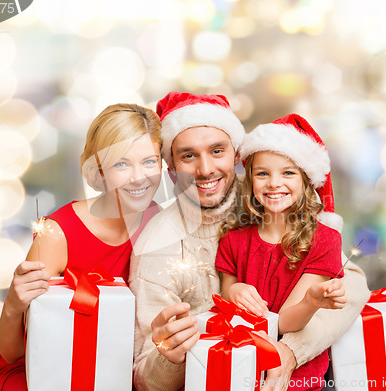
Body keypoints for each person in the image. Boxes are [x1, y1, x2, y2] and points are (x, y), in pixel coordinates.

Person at [129, 92, 370, 391]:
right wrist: (171, 356)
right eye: (188, 155)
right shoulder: (157, 246)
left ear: (236, 153)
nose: (205, 170)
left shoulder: (270, 194)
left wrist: (291, 350)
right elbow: (144, 379)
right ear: (171, 168)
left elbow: (352, 281)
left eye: (217, 151)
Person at [0, 103, 162, 391]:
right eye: (121, 163)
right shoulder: (56, 234)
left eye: (149, 161)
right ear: (99, 170)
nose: (138, 176)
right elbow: (12, 352)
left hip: (111, 366)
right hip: (45, 369)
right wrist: (13, 306)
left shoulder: (158, 222)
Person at [216, 113, 347, 391]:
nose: (274, 183)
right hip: (238, 371)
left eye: (288, 172)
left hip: (298, 380)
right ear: (250, 179)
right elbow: (225, 295)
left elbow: (285, 323)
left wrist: (311, 302)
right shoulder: (233, 239)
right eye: (262, 173)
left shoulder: (325, 241)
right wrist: (235, 289)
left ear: (306, 180)